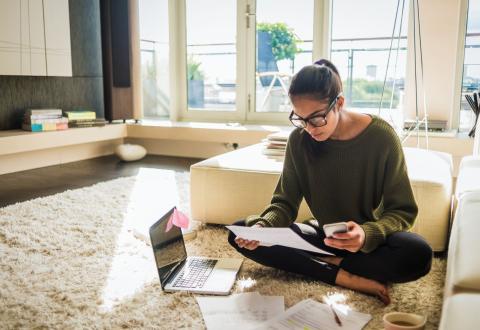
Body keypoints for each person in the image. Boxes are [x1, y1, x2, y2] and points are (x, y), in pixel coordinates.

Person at [227, 59, 432, 305]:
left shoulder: (382, 138)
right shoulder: (299, 141)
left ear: (340, 103)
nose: (309, 128)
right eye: (301, 119)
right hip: (323, 235)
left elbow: (402, 211)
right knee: (241, 230)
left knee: (418, 254)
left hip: (368, 243)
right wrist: (263, 228)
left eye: (316, 118)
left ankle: (322, 262)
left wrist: (366, 234)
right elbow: (284, 204)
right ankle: (342, 275)